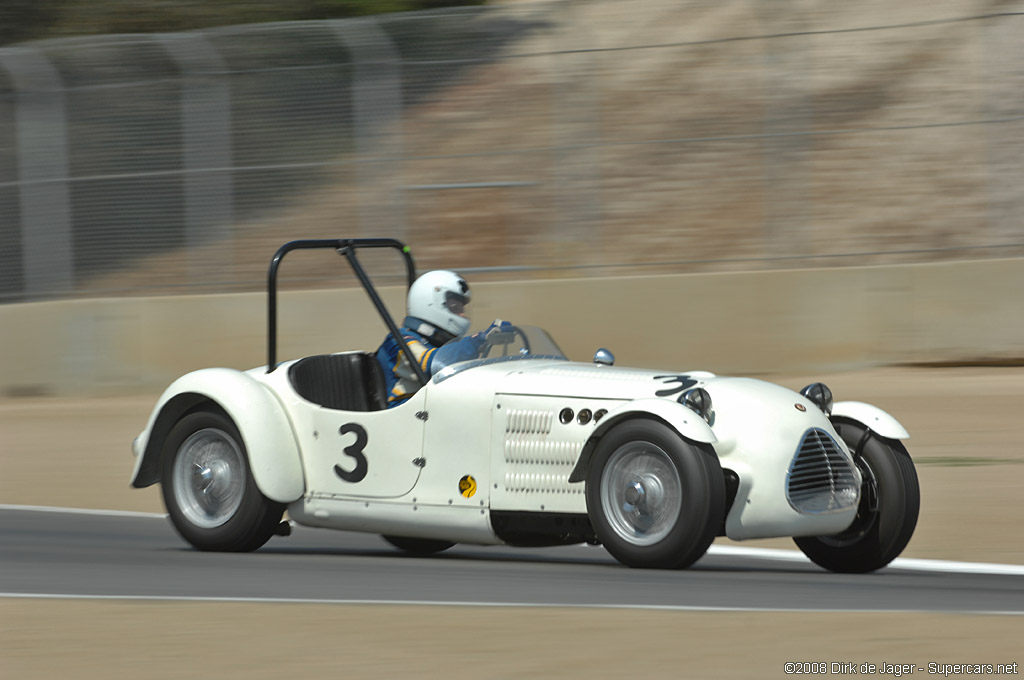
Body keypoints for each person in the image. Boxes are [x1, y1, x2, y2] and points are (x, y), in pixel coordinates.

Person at [376, 270, 510, 408]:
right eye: (455, 308)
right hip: (405, 421)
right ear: (430, 304)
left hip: (432, 416)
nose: (462, 315)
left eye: (462, 309)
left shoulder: (440, 343)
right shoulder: (399, 340)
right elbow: (430, 364)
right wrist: (478, 340)